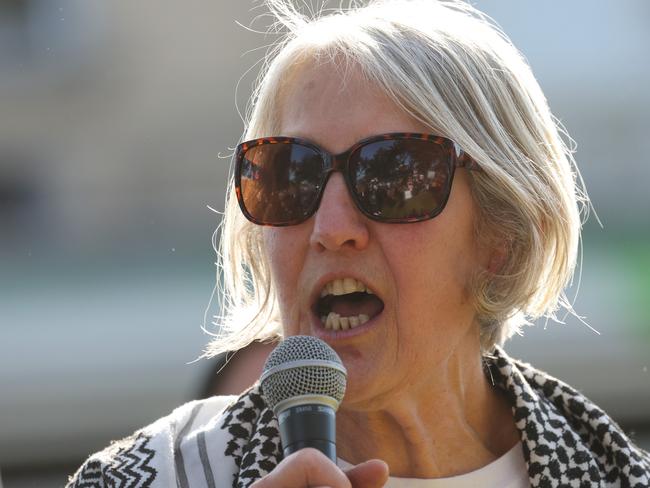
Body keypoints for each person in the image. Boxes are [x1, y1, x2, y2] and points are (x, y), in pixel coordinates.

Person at [67, 1, 650, 486]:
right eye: (289, 173)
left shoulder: (613, 473)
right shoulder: (149, 476)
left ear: (502, 233)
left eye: (394, 175)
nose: (330, 228)